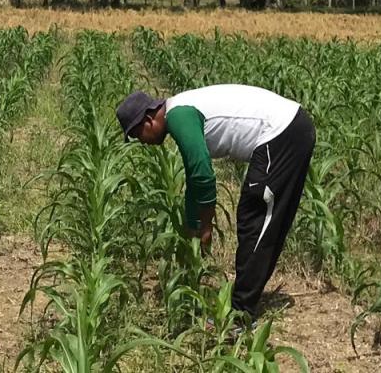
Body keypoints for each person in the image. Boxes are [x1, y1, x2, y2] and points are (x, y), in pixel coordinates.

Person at [116, 84, 315, 321]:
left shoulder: (179, 115)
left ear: (148, 120)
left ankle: (241, 314)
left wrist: (206, 227)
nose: (142, 141)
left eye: (138, 134)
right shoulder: (180, 112)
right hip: (284, 131)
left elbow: (204, 176)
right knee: (255, 216)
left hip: (283, 132)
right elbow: (193, 178)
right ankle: (243, 303)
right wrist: (193, 226)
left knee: (257, 218)